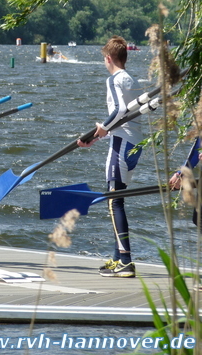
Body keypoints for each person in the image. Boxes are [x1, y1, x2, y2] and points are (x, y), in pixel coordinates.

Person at [77, 36, 144, 278]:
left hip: (121, 145)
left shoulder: (114, 79)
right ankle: (118, 257)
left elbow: (119, 111)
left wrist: (102, 127)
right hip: (134, 144)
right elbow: (126, 119)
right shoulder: (133, 80)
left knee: (114, 201)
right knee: (117, 198)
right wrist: (96, 136)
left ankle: (125, 260)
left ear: (108, 58)